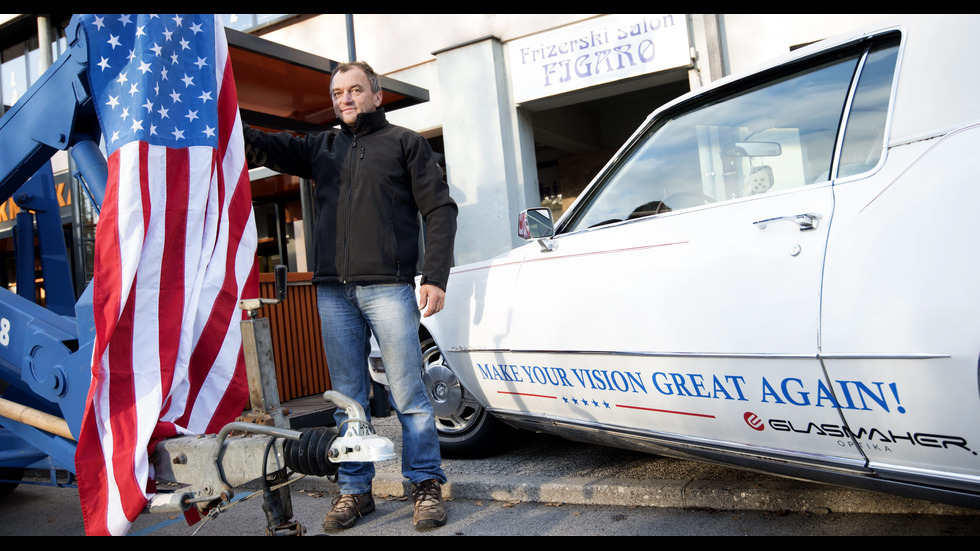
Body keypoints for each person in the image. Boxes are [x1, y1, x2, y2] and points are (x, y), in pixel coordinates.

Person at [242, 61, 457, 532]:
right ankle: (356, 491)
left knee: (409, 395)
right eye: (338, 93)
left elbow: (440, 209)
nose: (346, 99)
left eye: (355, 90)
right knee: (348, 400)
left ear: (377, 95)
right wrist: (223, 117)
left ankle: (424, 485)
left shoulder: (406, 143)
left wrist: (435, 276)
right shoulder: (322, 147)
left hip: (388, 287)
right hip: (332, 292)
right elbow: (266, 146)